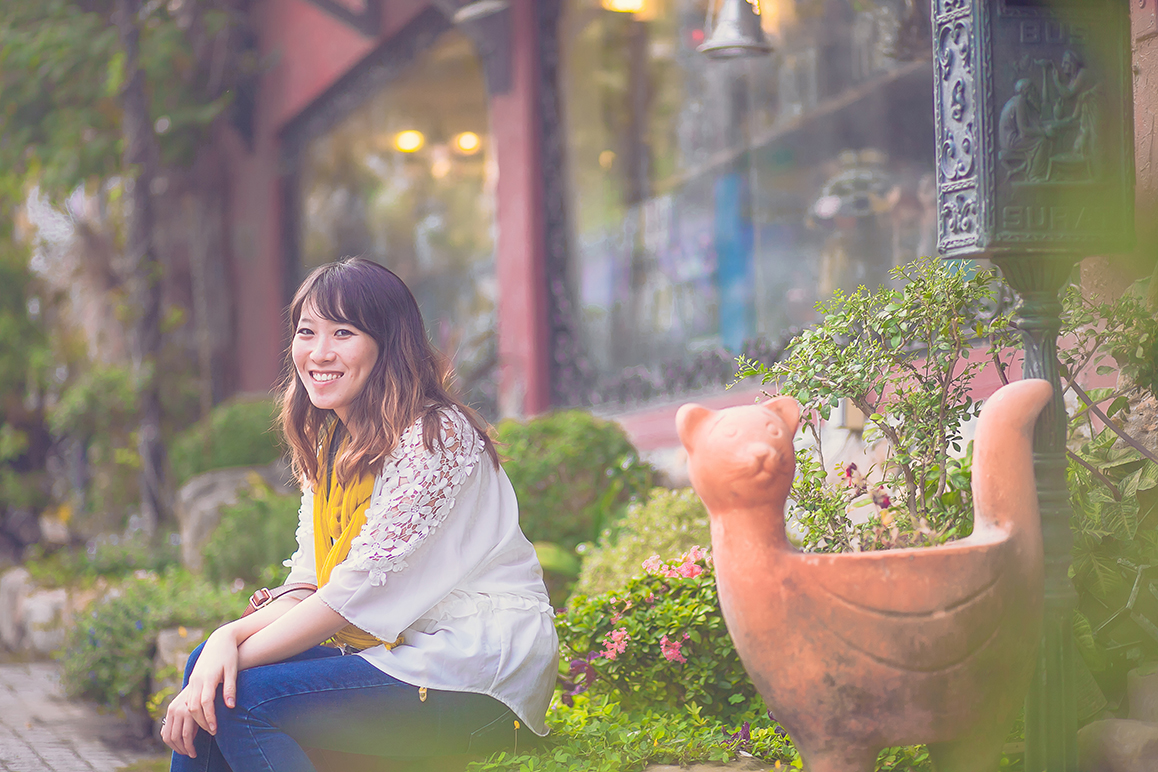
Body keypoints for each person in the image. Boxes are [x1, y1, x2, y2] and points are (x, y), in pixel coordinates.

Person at [162, 257, 559, 772]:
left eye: (343, 333)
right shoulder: (335, 448)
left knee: (234, 693)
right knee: (211, 670)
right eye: (307, 332)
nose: (319, 353)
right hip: (405, 654)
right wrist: (221, 643)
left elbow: (349, 599)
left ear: (387, 344)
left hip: (477, 672)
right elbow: (309, 584)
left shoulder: (434, 437)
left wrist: (222, 660)